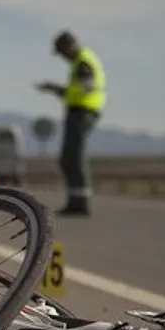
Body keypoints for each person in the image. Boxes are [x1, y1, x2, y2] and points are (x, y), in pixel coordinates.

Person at [34, 31, 107, 217]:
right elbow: (77, 90)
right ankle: (75, 201)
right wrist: (57, 90)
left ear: (70, 46)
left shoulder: (83, 61)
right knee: (68, 158)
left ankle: (80, 203)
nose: (62, 56)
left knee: (74, 158)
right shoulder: (79, 61)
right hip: (79, 110)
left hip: (82, 111)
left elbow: (85, 88)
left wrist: (59, 90)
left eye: (62, 51)